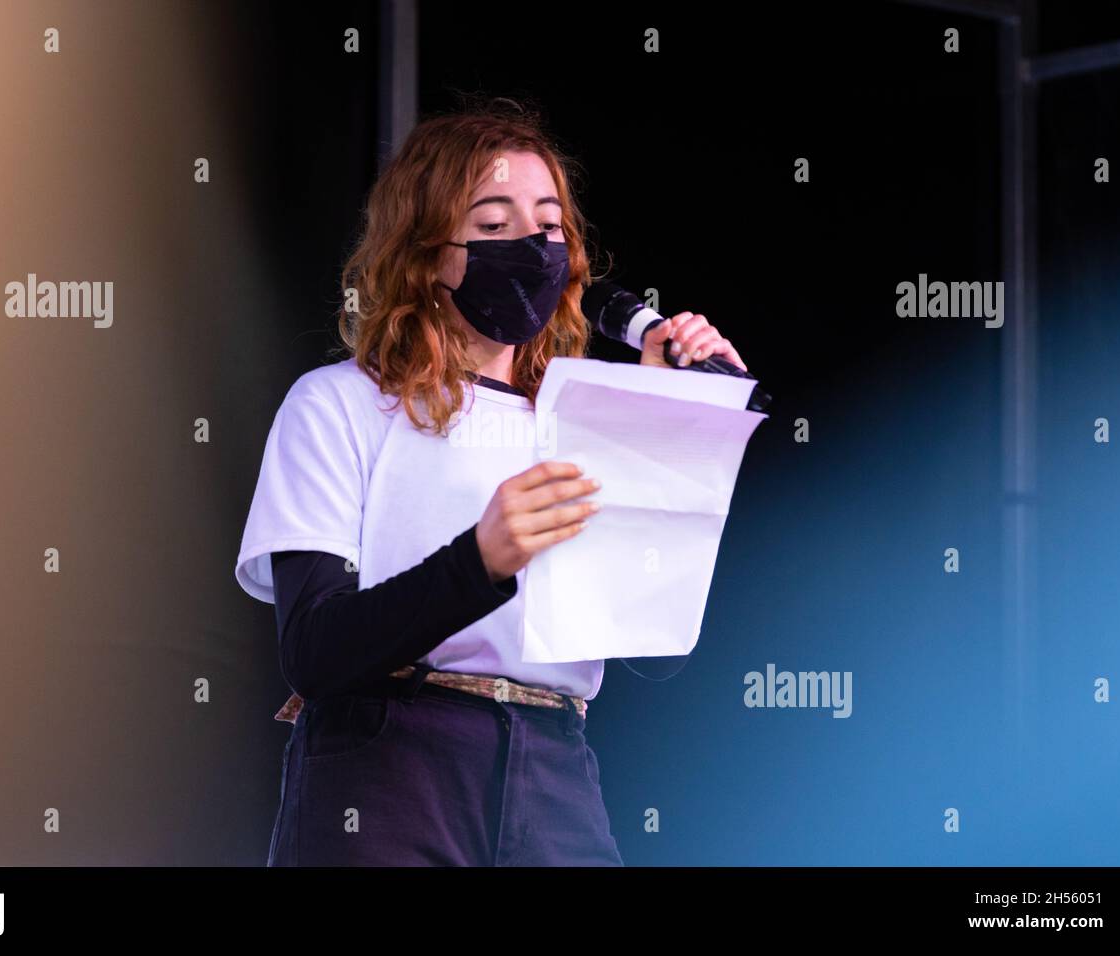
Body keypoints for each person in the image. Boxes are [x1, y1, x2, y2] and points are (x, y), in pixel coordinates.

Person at [234, 99, 747, 866]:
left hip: (554, 765)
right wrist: (478, 562)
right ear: (426, 251)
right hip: (391, 763)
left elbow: (655, 648)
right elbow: (315, 648)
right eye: (494, 224)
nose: (531, 247)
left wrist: (674, 424)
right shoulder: (338, 403)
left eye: (548, 227)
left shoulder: (586, 414)